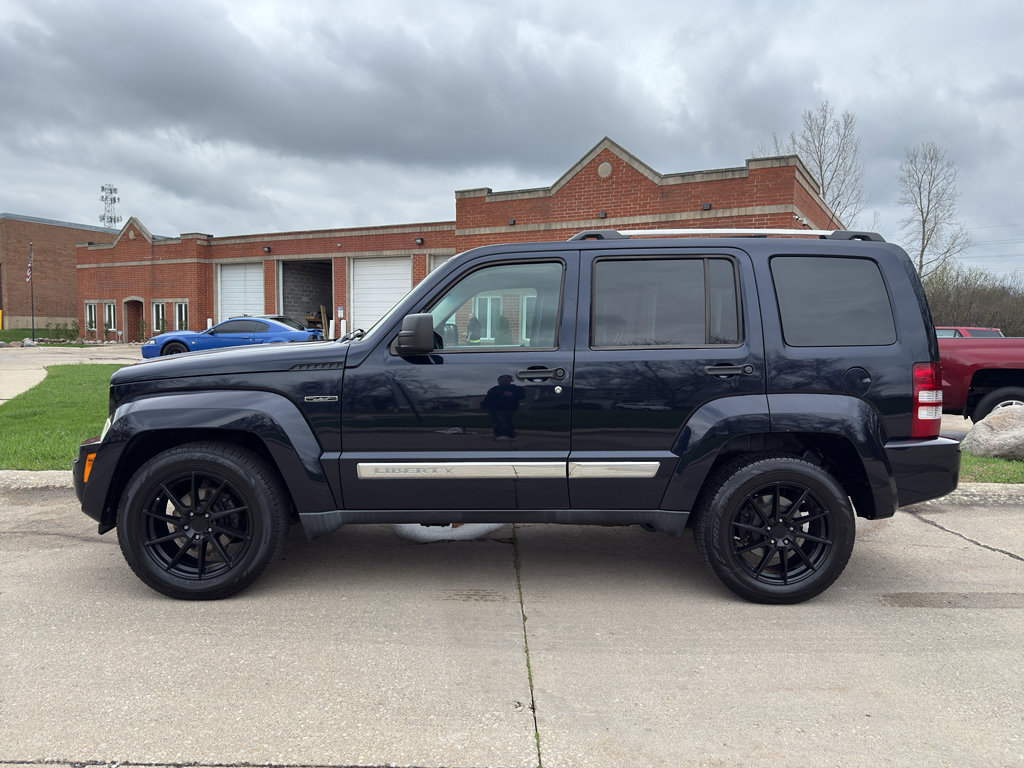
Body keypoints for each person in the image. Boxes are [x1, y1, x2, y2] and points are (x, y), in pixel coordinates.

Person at [481, 374, 523, 438]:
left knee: (505, 421)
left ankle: (509, 435)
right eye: (502, 380)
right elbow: (488, 397)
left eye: (506, 380)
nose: (503, 381)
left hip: (506, 408)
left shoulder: (515, 388)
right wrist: (484, 404)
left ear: (511, 381)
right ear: (498, 380)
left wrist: (513, 394)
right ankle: (497, 434)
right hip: (492, 408)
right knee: (496, 422)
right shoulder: (494, 388)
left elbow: (522, 395)